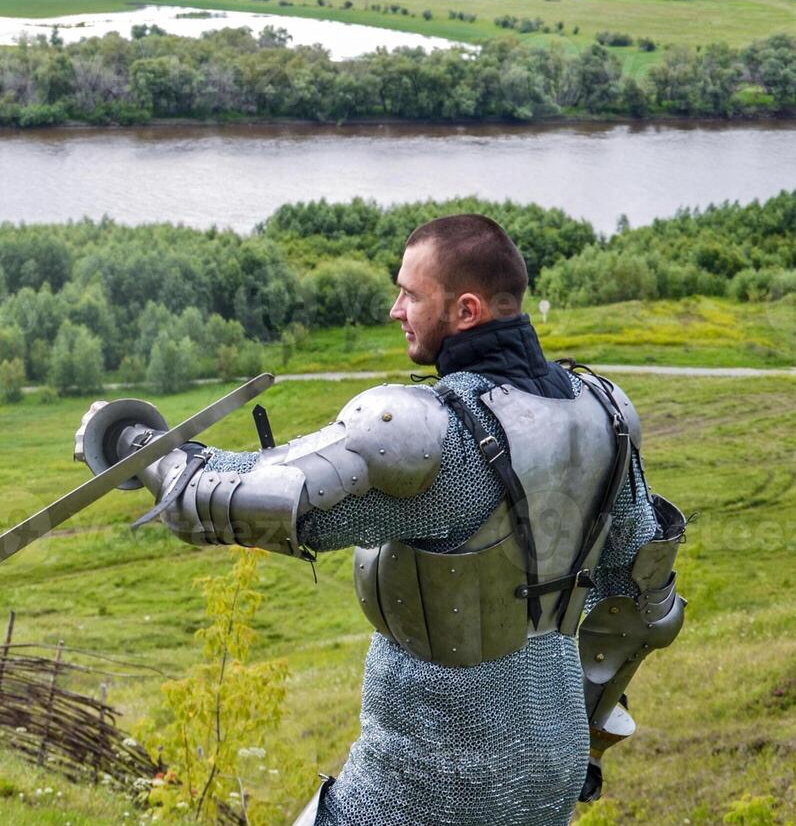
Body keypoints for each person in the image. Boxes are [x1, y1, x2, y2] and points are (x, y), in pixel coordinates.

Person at [73, 214, 688, 825]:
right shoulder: (603, 413)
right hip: (553, 761)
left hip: (430, 771)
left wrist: (135, 444)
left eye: (411, 295)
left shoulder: (435, 434)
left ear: (466, 310)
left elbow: (232, 503)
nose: (396, 309)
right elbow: (643, 598)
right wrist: (587, 734)